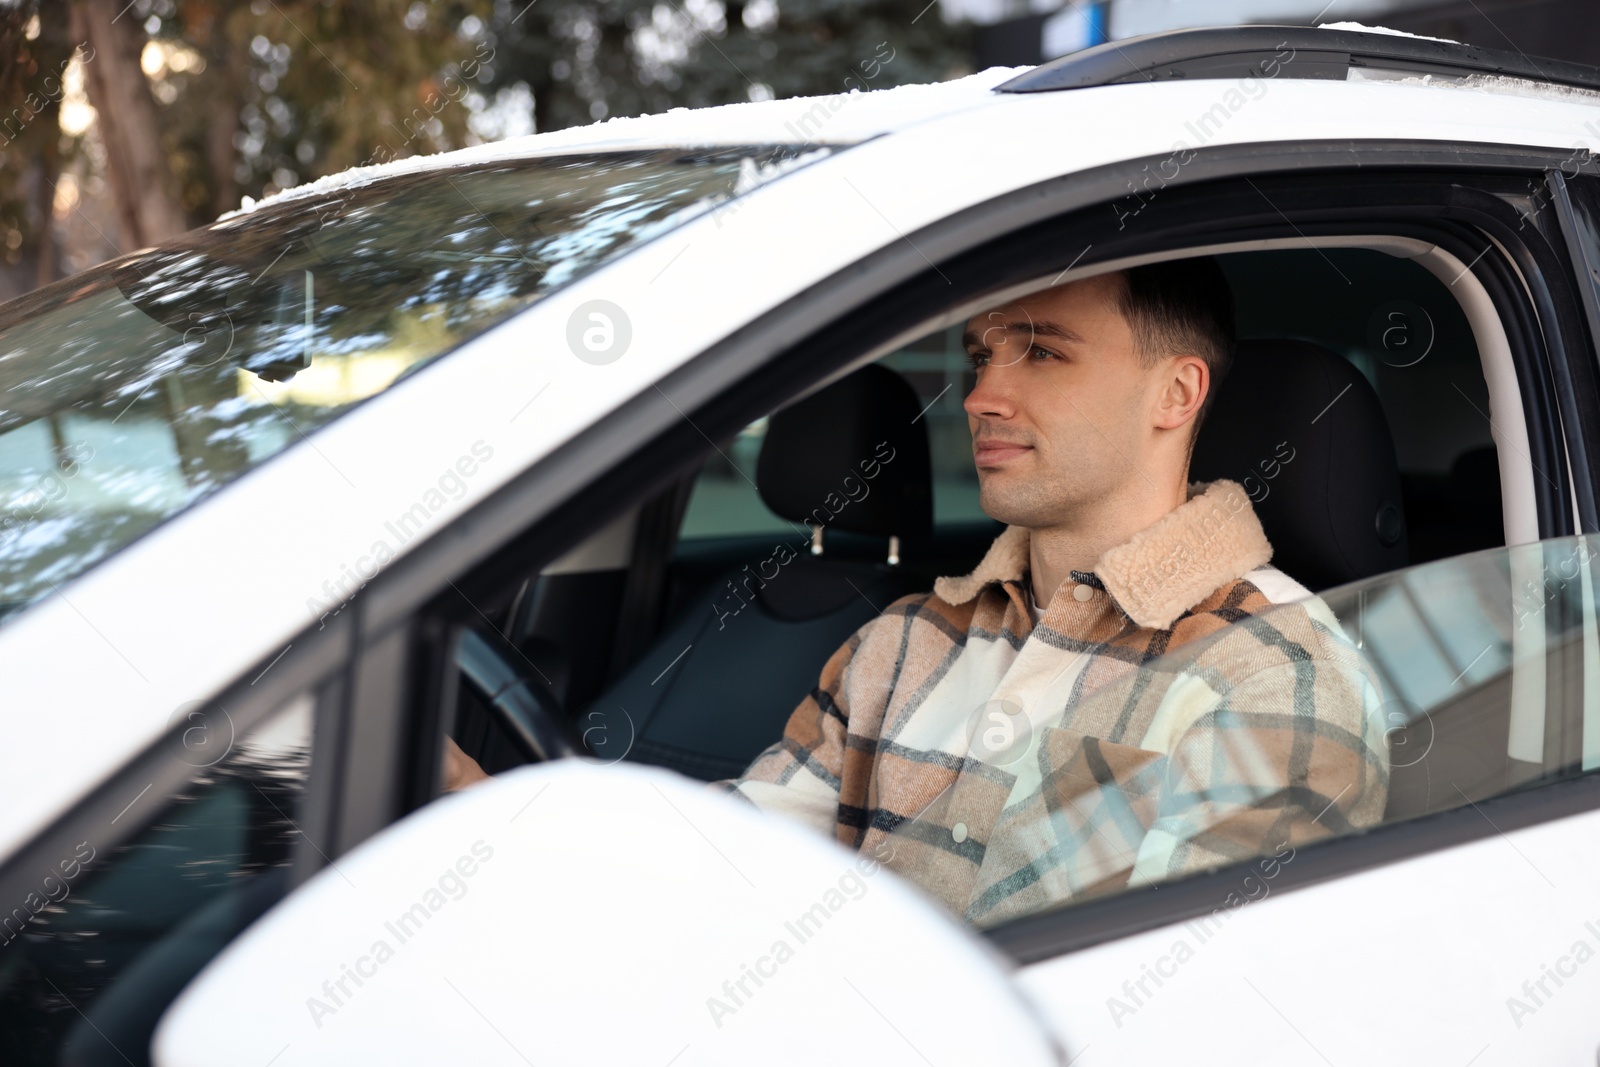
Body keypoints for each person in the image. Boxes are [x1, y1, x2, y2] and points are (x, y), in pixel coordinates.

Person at [713, 258, 1389, 926]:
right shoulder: (902, 639)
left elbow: (1183, 1006)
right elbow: (726, 877)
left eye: (1041, 352)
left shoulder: (1275, 670)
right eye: (982, 355)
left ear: (1177, 394)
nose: (979, 396)